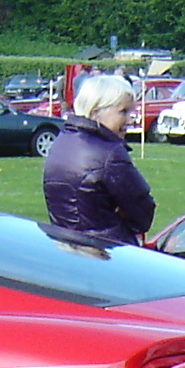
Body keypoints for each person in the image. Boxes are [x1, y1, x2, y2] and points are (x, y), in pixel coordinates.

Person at [42, 74, 155, 246]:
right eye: (123, 111)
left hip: (66, 250)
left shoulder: (61, 142)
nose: (130, 119)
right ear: (96, 111)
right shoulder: (109, 154)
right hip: (108, 255)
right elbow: (143, 215)